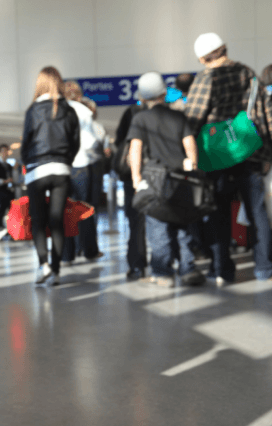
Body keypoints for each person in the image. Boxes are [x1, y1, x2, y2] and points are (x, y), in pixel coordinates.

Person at [185, 33, 272, 284]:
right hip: (249, 152)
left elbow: (192, 118)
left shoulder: (205, 78)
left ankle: (222, 269)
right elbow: (265, 114)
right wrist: (266, 153)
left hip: (217, 157)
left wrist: (190, 155)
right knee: (257, 212)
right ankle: (264, 268)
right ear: (224, 48)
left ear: (202, 58)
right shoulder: (249, 73)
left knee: (219, 213)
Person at [127, 72, 204, 287]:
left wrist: (136, 178)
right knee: (183, 226)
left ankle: (163, 274)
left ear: (142, 96)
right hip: (181, 180)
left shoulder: (140, 118)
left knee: (158, 227)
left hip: (154, 182)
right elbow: (190, 145)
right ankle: (188, 270)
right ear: (164, 93)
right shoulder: (178, 116)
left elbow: (136, 149)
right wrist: (193, 165)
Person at [22, 66, 80, 286]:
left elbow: (26, 142)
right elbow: (75, 142)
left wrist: (27, 163)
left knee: (38, 221)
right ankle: (55, 271)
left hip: (37, 169)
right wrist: (66, 161)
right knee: (57, 221)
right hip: (61, 170)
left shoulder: (33, 110)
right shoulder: (69, 110)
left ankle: (43, 265)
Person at [61, 81, 104, 264]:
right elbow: (89, 142)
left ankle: (66, 254)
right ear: (78, 94)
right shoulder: (82, 111)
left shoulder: (56, 110)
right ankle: (89, 251)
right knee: (83, 210)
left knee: (64, 210)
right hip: (79, 165)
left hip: (60, 167)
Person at [114, 101, 149, 279]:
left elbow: (120, 139)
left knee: (136, 222)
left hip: (132, 175)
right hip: (157, 171)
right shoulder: (165, 113)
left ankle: (137, 265)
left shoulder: (131, 112)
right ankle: (166, 262)